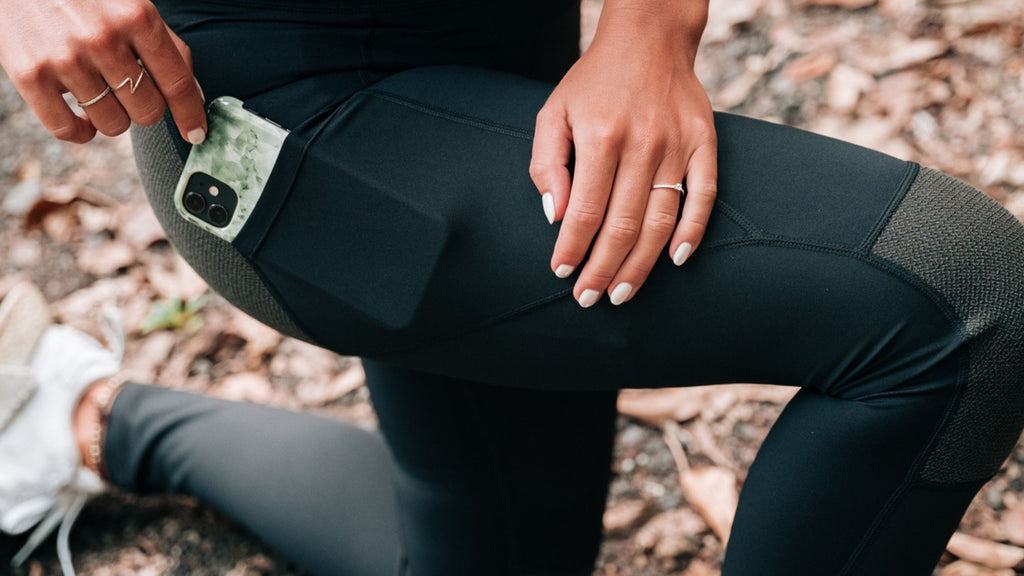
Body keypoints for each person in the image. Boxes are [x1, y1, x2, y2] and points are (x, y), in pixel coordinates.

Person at [2, 0, 1023, 575]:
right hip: (289, 125)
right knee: (954, 303)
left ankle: (93, 416)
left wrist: (647, 30)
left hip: (494, 62)